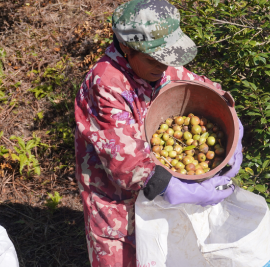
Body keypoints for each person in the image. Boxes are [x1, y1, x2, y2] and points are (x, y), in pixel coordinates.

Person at [74, 0, 243, 266]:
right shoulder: (106, 83)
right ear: (128, 48)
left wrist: (233, 121)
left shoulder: (162, 65)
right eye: (154, 60)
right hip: (115, 204)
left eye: (168, 58)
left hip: (159, 194)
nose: (163, 67)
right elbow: (125, 165)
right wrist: (173, 187)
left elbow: (204, 90)